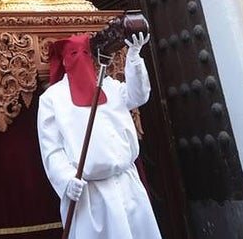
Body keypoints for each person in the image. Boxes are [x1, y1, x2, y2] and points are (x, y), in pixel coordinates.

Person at [37, 32, 161, 239]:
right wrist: (66, 179)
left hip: (127, 184)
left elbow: (138, 95)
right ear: (64, 60)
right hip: (91, 194)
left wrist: (134, 56)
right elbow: (52, 149)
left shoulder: (109, 85)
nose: (80, 58)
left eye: (85, 52)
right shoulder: (53, 98)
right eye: (74, 53)